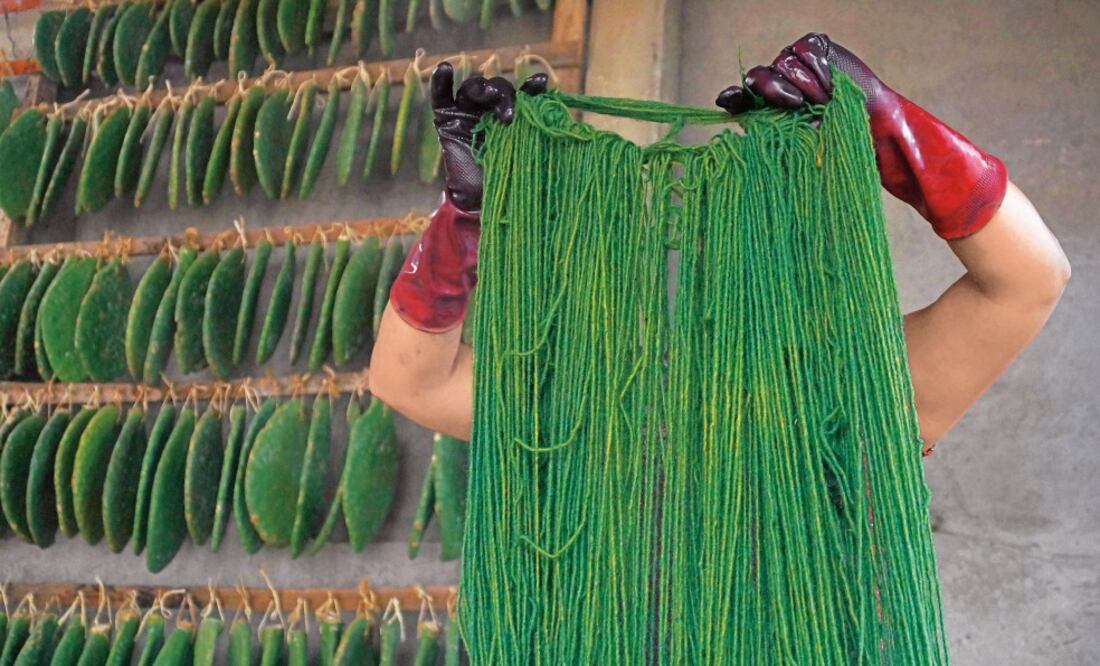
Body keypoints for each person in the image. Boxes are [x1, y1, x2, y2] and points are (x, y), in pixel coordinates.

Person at [369, 34, 1070, 455]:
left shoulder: (858, 399)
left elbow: (1033, 278)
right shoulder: (598, 413)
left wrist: (888, 124)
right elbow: (408, 383)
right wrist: (465, 218)